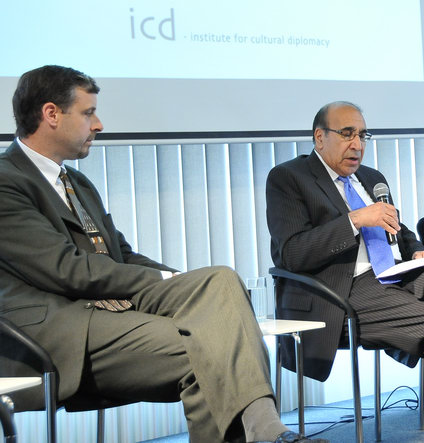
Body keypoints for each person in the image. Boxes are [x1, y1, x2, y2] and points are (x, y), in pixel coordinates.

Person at [0, 65, 324, 443]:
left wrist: (181, 281)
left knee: (218, 283)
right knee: (214, 351)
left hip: (108, 314)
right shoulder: (7, 180)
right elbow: (65, 270)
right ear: (51, 114)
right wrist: (165, 281)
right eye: (88, 113)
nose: (99, 124)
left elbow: (121, 255)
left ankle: (266, 432)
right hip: (53, 333)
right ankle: (268, 431)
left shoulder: (76, 182)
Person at [265, 101, 424, 442]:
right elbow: (292, 253)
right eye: (347, 134)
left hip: (394, 277)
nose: (357, 144)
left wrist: (417, 249)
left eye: (362, 135)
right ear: (319, 137)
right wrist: (355, 220)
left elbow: (398, 230)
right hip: (340, 291)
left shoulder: (371, 178)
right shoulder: (289, 178)